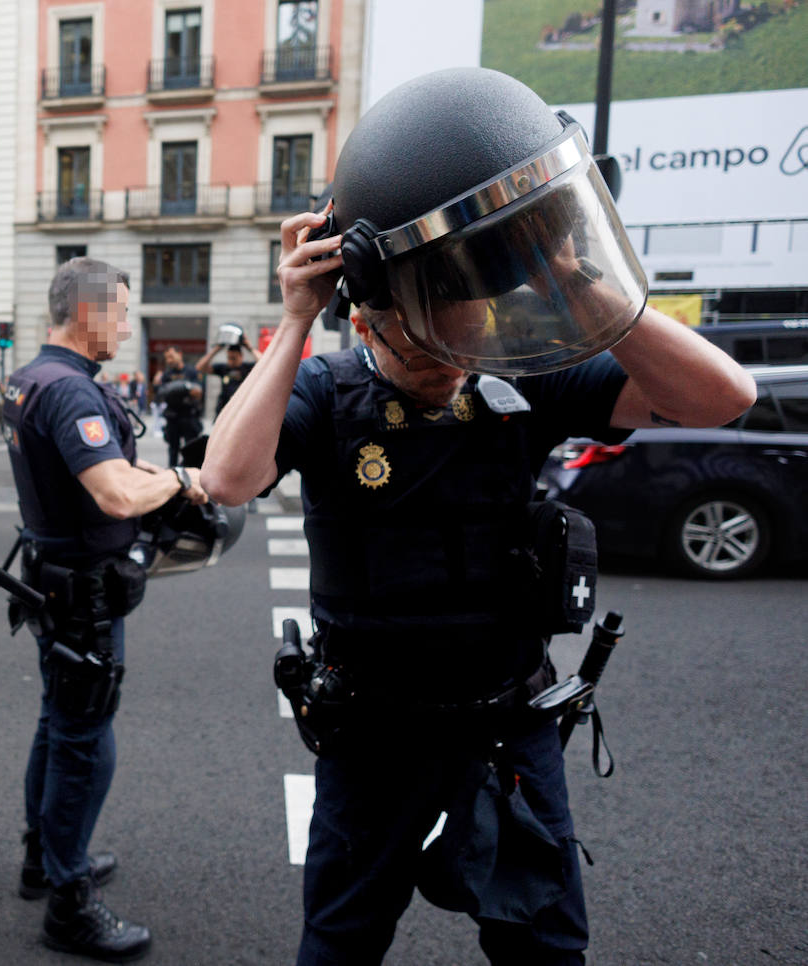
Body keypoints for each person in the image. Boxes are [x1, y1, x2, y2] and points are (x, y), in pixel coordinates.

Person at [201, 67, 755, 966]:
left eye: (469, 333)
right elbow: (227, 479)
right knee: (341, 940)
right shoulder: (321, 392)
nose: (452, 360)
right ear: (372, 322)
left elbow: (723, 397)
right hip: (372, 731)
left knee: (545, 941)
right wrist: (297, 318)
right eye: (427, 339)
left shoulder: (521, 380)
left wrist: (589, 293)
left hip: (508, 721)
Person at [2, 256, 208, 962]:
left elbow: (92, 474)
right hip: (84, 590)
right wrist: (181, 479)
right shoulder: (71, 393)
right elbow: (114, 494)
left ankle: (42, 858)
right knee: (86, 741)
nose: (126, 324)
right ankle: (68, 897)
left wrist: (151, 476)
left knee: (57, 724)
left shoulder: (31, 378)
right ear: (88, 313)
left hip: (52, 578)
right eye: (120, 312)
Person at [151, 346, 202, 466]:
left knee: (192, 449)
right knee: (173, 449)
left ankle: (192, 475)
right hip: (173, 417)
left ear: (180, 354)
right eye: (167, 358)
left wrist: (177, 387)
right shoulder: (167, 374)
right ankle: (173, 475)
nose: (169, 360)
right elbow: (160, 393)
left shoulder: (191, 371)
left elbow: (198, 391)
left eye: (171, 356)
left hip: (189, 416)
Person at [196, 331, 262, 418]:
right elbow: (200, 367)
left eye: (233, 358)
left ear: (241, 356)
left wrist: (249, 347)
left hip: (241, 409)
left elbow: (264, 364)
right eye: (229, 358)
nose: (230, 361)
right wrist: (216, 350)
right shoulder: (223, 368)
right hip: (223, 409)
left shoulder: (248, 367)